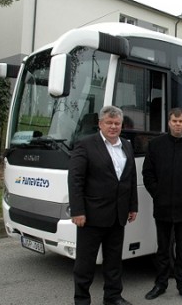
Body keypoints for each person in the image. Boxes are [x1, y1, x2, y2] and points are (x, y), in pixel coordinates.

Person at [68, 106, 138, 305]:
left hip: (118, 215)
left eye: (117, 123)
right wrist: (78, 210)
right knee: (85, 264)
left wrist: (133, 206)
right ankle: (82, 300)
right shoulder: (85, 145)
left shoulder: (126, 145)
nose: (113, 127)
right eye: (109, 122)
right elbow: (75, 180)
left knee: (114, 261)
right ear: (100, 124)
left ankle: (113, 296)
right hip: (91, 216)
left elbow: (130, 179)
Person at [142, 107, 182, 303]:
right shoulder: (156, 145)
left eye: (181, 121)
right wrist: (157, 193)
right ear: (168, 123)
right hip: (162, 207)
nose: (177, 125)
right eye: (174, 121)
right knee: (162, 249)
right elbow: (148, 173)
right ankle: (160, 285)